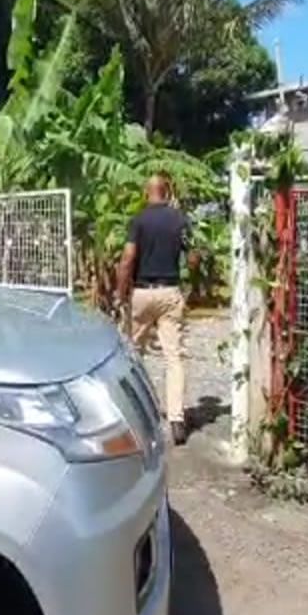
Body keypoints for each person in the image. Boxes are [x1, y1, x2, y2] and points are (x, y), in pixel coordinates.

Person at [117, 173, 199, 445]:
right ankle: (176, 419)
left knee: (133, 354)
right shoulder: (180, 220)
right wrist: (191, 277)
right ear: (168, 192)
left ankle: (133, 413)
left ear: (147, 192)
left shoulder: (138, 220)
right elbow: (194, 257)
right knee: (174, 357)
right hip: (169, 292)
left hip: (142, 292)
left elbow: (128, 258)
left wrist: (121, 292)